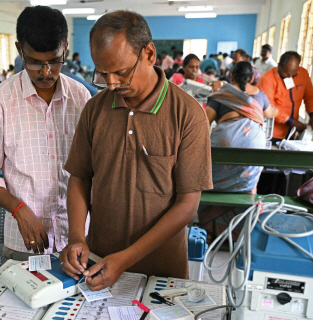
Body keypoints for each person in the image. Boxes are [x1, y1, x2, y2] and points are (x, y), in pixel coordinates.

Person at [60, 10, 212, 290]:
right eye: (103, 74)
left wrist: (125, 259)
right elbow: (80, 177)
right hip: (99, 265)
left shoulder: (187, 114)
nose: (113, 83)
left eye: (122, 72)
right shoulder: (95, 109)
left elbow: (187, 204)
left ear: (150, 54)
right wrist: (77, 237)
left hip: (162, 272)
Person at [0, 6, 91, 260]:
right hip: (24, 241)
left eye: (54, 61)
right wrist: (19, 210)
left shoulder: (80, 97)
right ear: (19, 51)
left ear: (65, 50)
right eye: (35, 62)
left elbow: (91, 166)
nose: (46, 72)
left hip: (78, 236)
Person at [206, 61, 277, 193]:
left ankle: (213, 205)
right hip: (255, 144)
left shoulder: (221, 94)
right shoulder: (260, 94)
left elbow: (204, 122)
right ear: (251, 79)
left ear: (231, 76)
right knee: (248, 182)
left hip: (224, 141)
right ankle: (246, 206)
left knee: (210, 180)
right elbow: (271, 113)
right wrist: (275, 109)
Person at [257, 51, 313, 142]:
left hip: (291, 133)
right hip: (271, 133)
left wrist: (312, 116)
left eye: (294, 73)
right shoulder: (267, 79)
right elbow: (268, 107)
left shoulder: (303, 74)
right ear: (279, 65)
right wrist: (290, 121)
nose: (290, 76)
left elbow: (310, 97)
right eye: (286, 73)